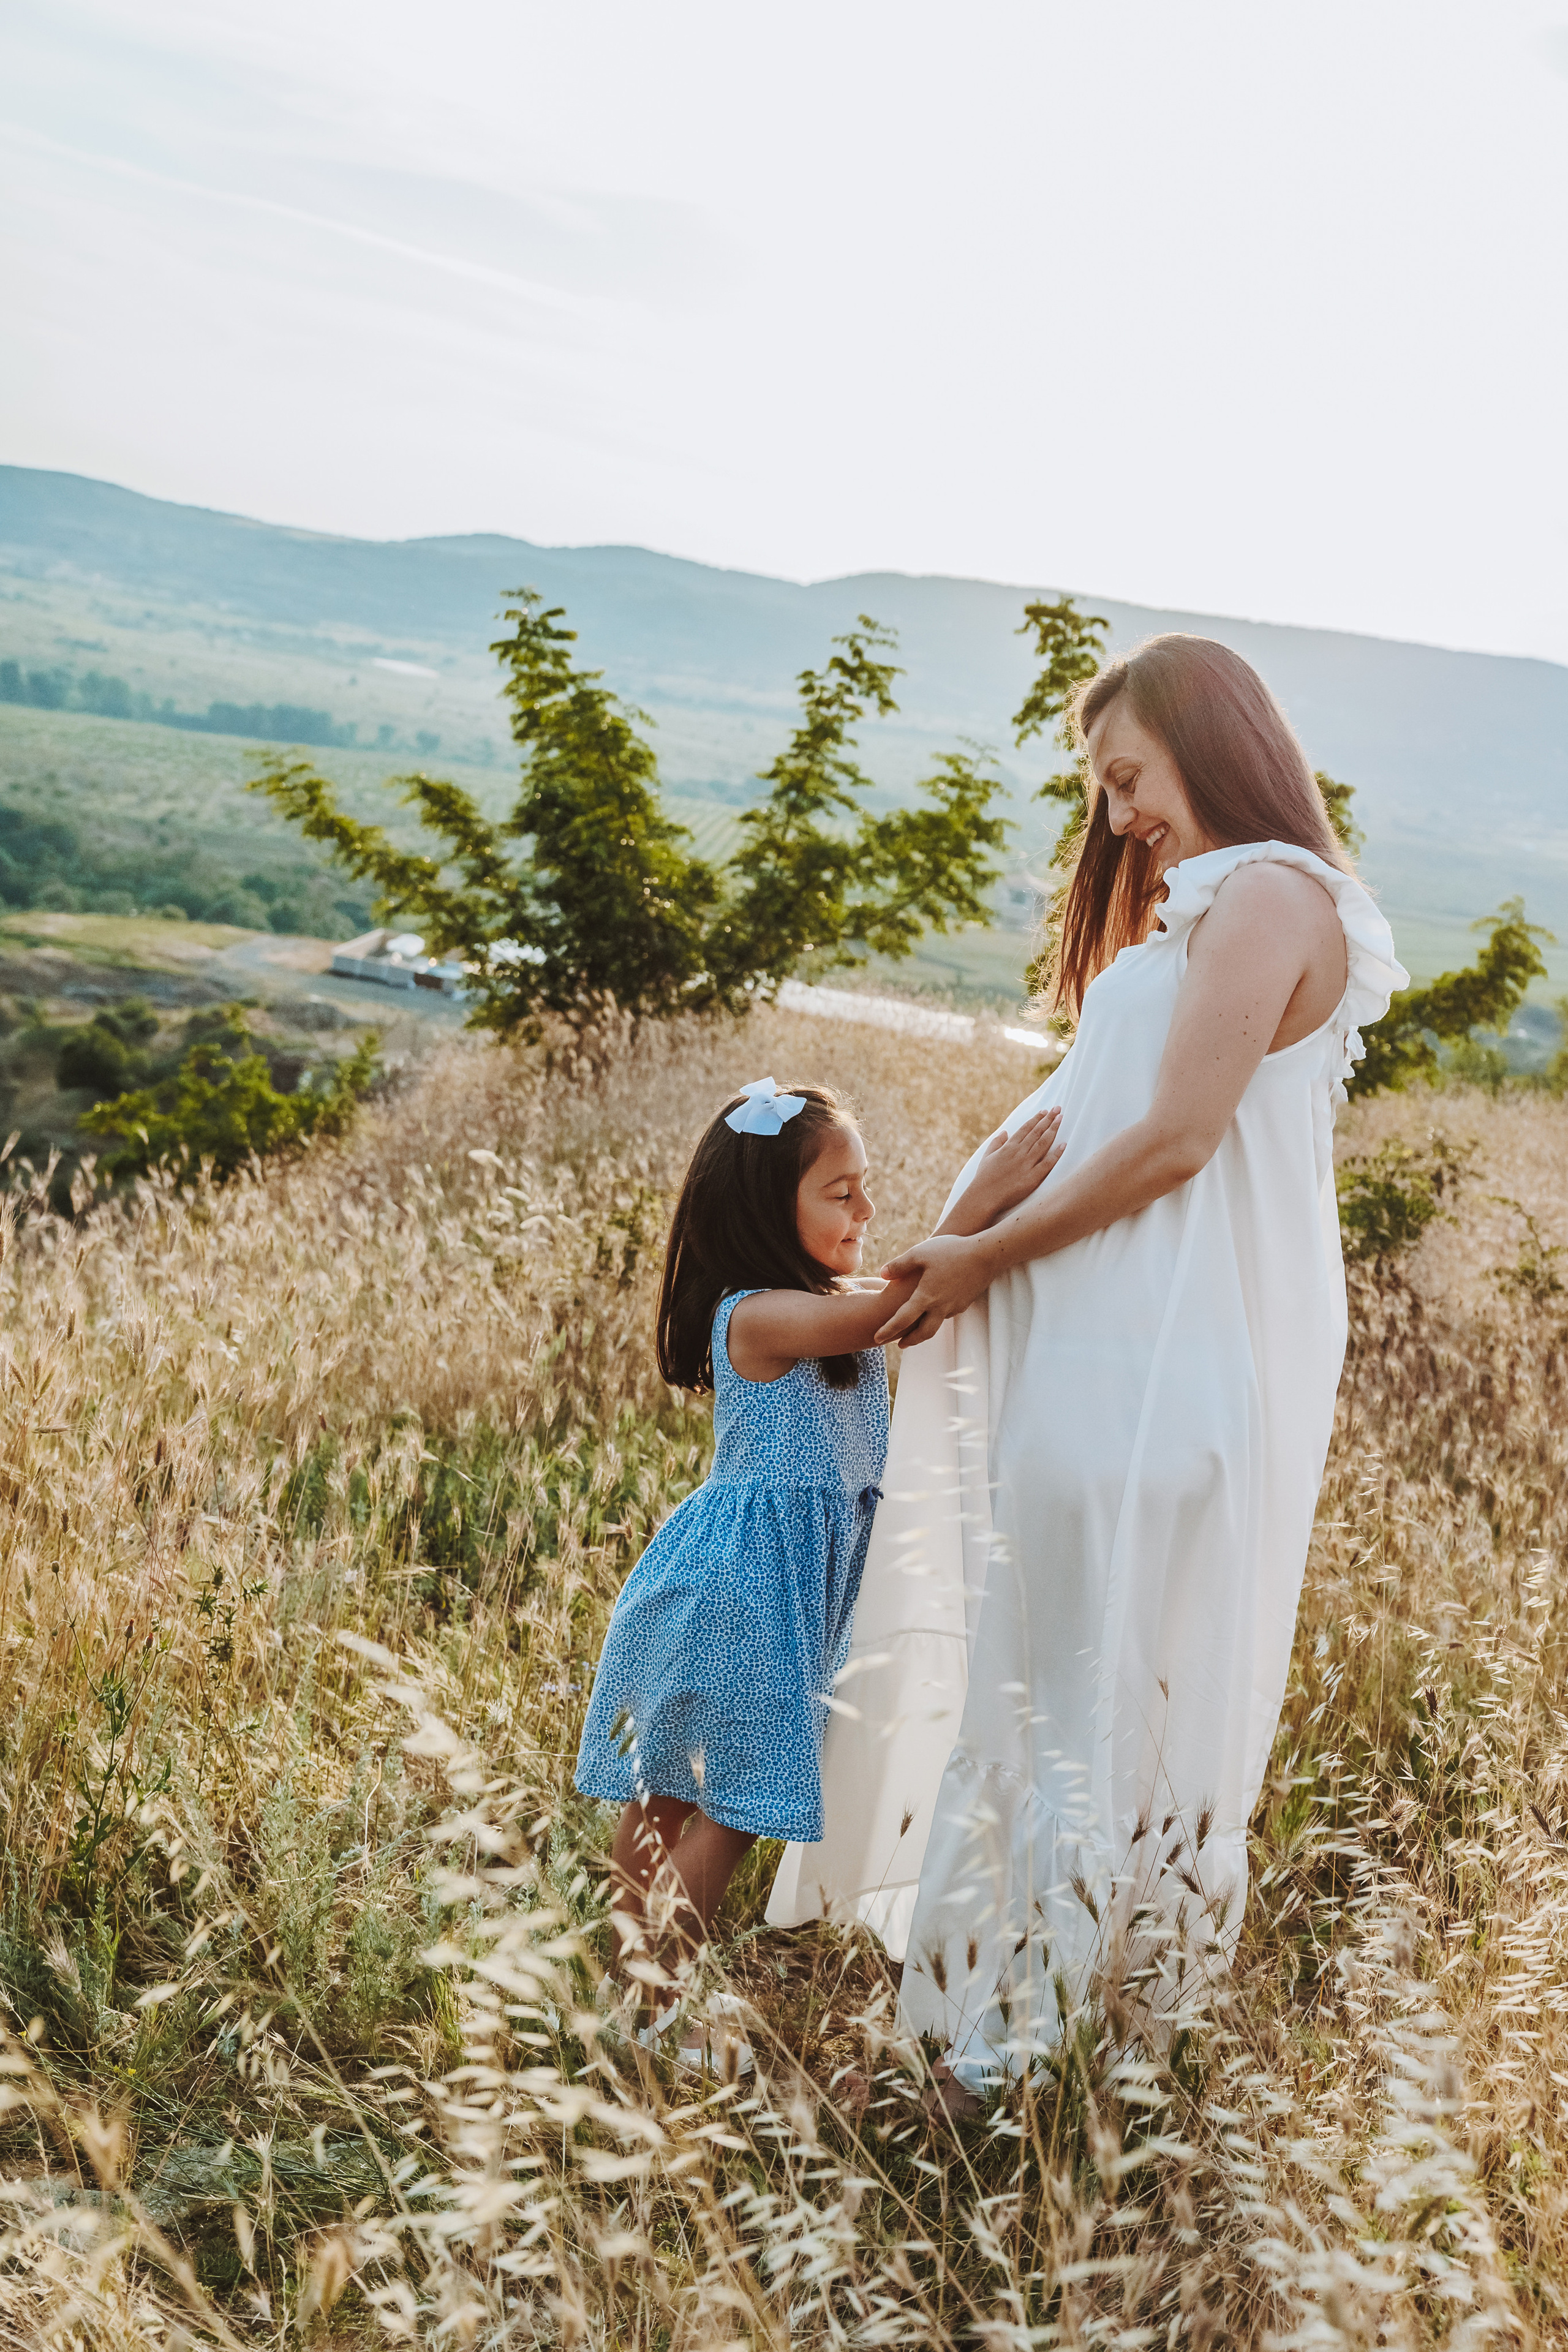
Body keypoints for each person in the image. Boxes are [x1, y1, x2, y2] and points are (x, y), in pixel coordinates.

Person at [764, 635, 1408, 2095]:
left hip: (1152, 1366)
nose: (1115, 815)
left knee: (1073, 1699)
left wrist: (984, 1259)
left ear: (1208, 743)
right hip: (1110, 1356)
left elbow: (1177, 1139)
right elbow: (1063, 1121)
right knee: (1062, 1688)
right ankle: (1026, 2033)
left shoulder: (1270, 897)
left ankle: (1001, 2049)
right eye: (1102, 789)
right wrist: (950, 1238)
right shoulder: (1197, 917)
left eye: (1126, 777)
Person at [575, 1073, 1061, 2065]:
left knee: (689, 1790)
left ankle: (628, 1997)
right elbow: (890, 1312)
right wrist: (977, 1211)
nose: (866, 1212)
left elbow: (889, 1313)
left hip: (774, 1590)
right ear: (767, 1207)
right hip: (740, 1586)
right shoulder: (754, 1315)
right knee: (718, 1801)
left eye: (866, 1189)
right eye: (842, 1193)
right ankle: (651, 2008)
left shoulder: (821, 1304)